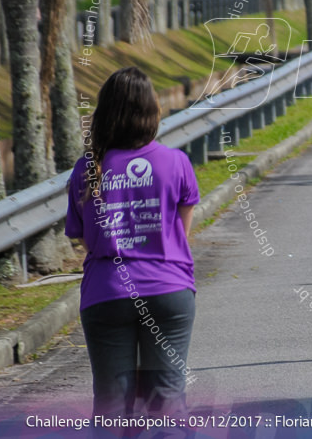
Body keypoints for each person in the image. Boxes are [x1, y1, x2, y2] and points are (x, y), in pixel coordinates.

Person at [65, 67, 199, 418]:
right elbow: (180, 235)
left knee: (111, 405)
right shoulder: (176, 163)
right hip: (168, 290)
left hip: (106, 293)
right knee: (167, 398)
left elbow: (84, 238)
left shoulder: (87, 169)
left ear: (105, 114)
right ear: (151, 111)